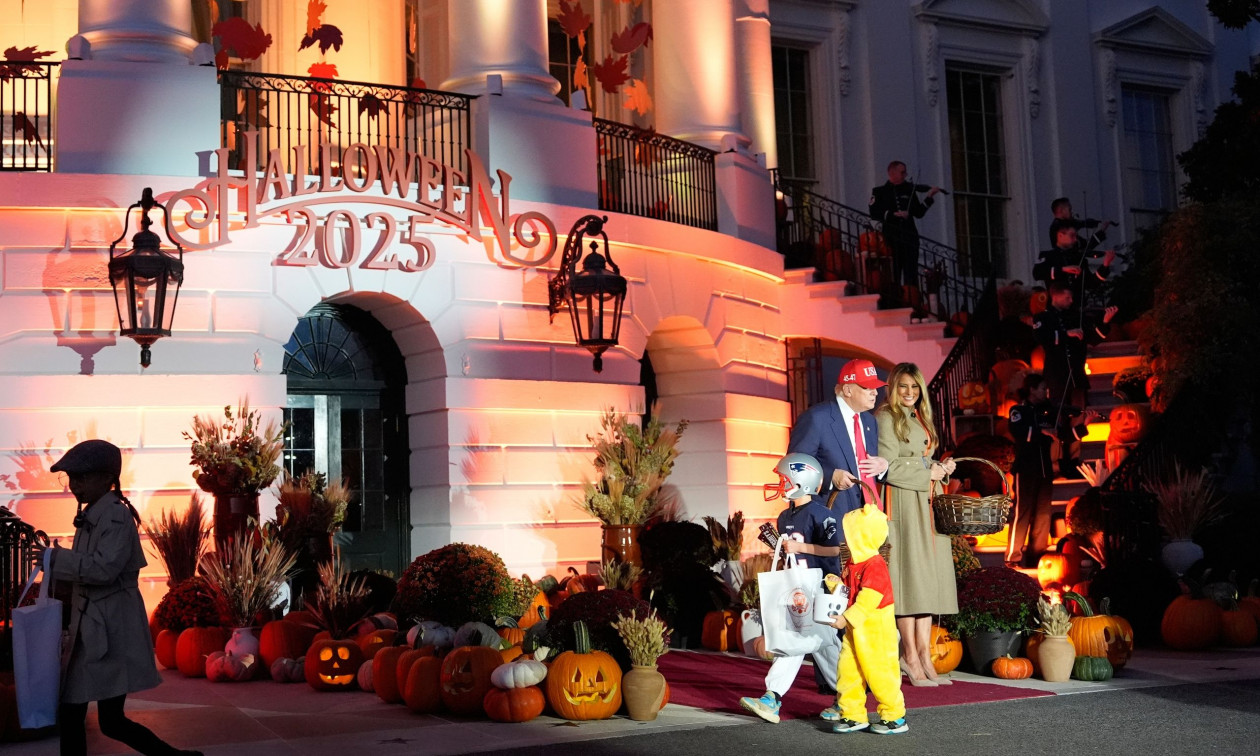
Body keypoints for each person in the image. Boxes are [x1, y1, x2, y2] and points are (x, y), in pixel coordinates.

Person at [32, 440, 202, 756]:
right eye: (71, 477)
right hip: (96, 629)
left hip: (111, 629)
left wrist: (56, 560)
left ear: (106, 477)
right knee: (87, 715)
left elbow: (104, 569)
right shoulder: (93, 515)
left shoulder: (113, 517)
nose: (74, 485)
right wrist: (54, 562)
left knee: (100, 717)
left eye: (81, 477)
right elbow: (91, 566)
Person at [739, 453, 843, 724]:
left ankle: (772, 698)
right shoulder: (785, 516)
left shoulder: (821, 513)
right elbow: (790, 554)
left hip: (820, 587)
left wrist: (801, 547)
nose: (779, 484)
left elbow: (834, 549)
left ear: (801, 482)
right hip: (798, 587)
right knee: (821, 644)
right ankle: (847, 697)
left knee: (804, 641)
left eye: (784, 479)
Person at [874, 363, 957, 687]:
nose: (909, 393)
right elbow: (887, 467)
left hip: (926, 501)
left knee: (927, 580)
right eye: (903, 387)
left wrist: (940, 467)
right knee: (909, 580)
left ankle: (925, 655)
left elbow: (921, 458)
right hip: (904, 503)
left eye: (914, 387)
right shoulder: (887, 417)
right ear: (893, 388)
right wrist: (927, 472)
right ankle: (909, 656)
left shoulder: (921, 417)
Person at [828, 503, 908, 735]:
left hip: (876, 629)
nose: (846, 538)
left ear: (860, 535)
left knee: (880, 671)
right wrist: (837, 585)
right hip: (855, 629)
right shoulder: (854, 564)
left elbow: (868, 598)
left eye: (849, 533)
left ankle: (894, 716)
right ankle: (852, 714)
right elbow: (851, 591)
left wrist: (846, 619)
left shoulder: (875, 564)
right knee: (848, 670)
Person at [1006, 374, 1094, 567]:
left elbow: (1061, 435)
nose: (1046, 392)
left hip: (1045, 469)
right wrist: (1042, 432)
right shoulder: (1018, 410)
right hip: (1026, 469)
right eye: (1042, 388)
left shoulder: (1049, 412)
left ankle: (1036, 554)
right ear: (1032, 389)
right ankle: (1013, 557)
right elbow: (1020, 433)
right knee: (1022, 512)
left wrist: (1083, 427)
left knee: (1043, 515)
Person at [786, 358, 891, 517]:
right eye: (868, 387)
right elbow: (794, 467)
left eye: (876, 387)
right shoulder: (816, 418)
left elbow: (866, 470)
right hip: (831, 518)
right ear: (848, 390)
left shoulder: (870, 421)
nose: (875, 392)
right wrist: (830, 477)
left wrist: (882, 468)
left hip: (869, 519)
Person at [1032, 284, 1117, 477]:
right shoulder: (1043, 317)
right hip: (1057, 377)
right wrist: (1065, 334)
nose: (1071, 301)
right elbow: (1041, 337)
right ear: (1056, 296)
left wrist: (1104, 321)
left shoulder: (1075, 316)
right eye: (1067, 298)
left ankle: (1073, 460)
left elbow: (1094, 338)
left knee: (1078, 415)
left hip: (1077, 377)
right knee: (1059, 418)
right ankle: (1058, 461)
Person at [869, 161, 941, 310]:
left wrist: (929, 197)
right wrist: (893, 215)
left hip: (909, 238)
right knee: (894, 272)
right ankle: (894, 303)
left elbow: (919, 212)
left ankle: (912, 303)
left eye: (905, 172)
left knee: (911, 272)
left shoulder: (909, 191)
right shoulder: (880, 191)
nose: (905, 176)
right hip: (892, 237)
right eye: (902, 173)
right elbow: (874, 212)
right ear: (892, 173)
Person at [1032, 225, 1117, 291]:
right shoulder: (1047, 255)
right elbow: (1037, 273)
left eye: (1076, 236)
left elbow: (1091, 283)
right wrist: (1063, 269)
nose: (1075, 240)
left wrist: (1105, 265)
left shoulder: (1078, 257)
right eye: (1072, 236)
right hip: (1056, 307)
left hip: (1077, 307)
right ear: (1060, 236)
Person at [1047, 197, 1112, 249]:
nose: (1072, 212)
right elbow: (1085, 247)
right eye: (1070, 209)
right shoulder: (1061, 229)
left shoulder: (1058, 226)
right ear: (1061, 211)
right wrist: (1101, 232)